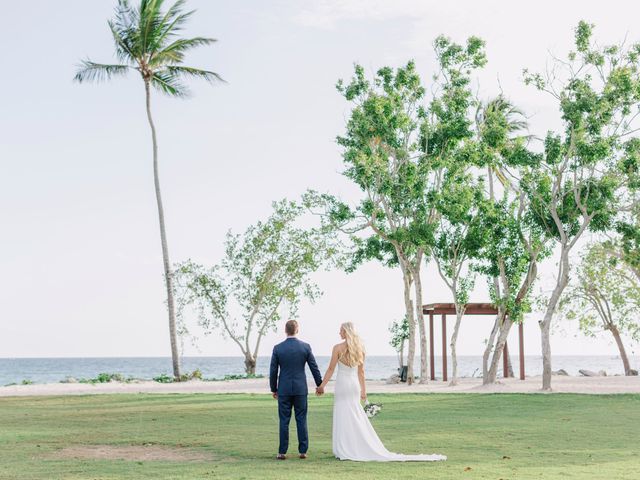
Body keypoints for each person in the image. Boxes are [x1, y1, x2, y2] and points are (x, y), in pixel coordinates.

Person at [317, 322, 447, 462]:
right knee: (354, 415)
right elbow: (361, 373)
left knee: (343, 414)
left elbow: (331, 369)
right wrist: (363, 391)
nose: (339, 333)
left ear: (346, 332)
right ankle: (353, 446)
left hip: (342, 385)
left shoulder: (337, 348)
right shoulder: (360, 348)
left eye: (341, 330)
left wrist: (322, 386)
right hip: (354, 385)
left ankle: (344, 447)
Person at [269, 319, 323, 460]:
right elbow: (314, 367)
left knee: (284, 421)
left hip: (284, 390)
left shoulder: (278, 348)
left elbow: (273, 371)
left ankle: (282, 452)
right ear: (297, 330)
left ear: (285, 330)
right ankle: (303, 451)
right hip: (300, 390)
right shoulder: (305, 347)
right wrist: (320, 385)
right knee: (301, 419)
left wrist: (273, 389)